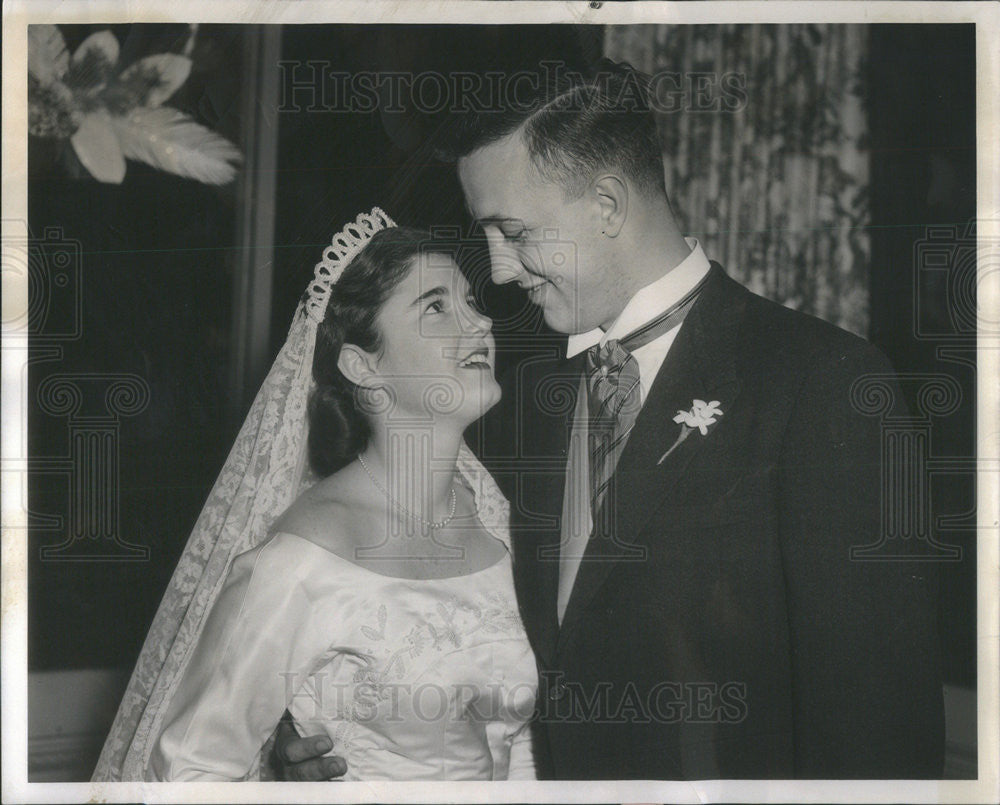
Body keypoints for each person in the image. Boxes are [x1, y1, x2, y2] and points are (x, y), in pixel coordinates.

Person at [278, 62, 945, 780]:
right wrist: (319, 726)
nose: (499, 271)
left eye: (513, 231)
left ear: (606, 205)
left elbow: (881, 741)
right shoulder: (519, 403)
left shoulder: (822, 384)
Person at [93, 211, 538, 781]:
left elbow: (519, 742)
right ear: (362, 365)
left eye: (472, 302)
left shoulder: (496, 515)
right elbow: (186, 774)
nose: (479, 324)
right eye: (436, 307)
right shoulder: (305, 555)